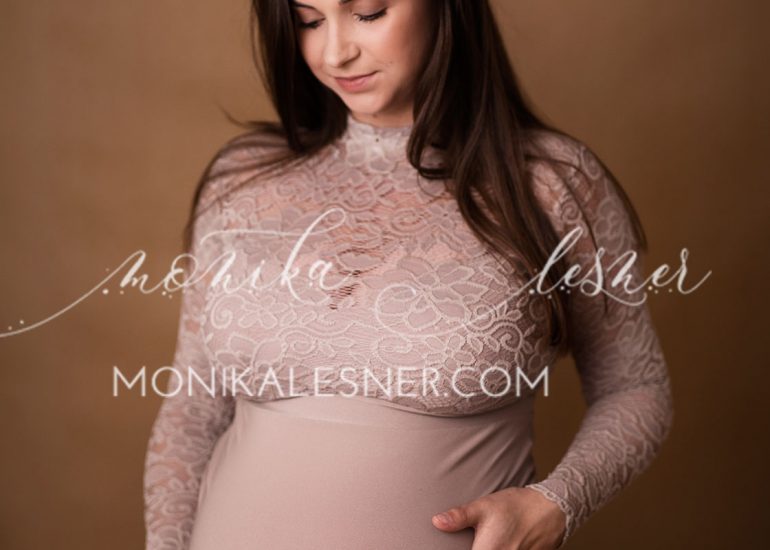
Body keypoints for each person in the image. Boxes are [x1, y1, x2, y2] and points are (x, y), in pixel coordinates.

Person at [143, 0, 674, 548]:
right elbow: (192, 407)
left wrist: (557, 502)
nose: (335, 53)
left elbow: (636, 388)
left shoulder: (550, 184)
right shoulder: (243, 179)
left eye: (369, 12)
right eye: (309, 21)